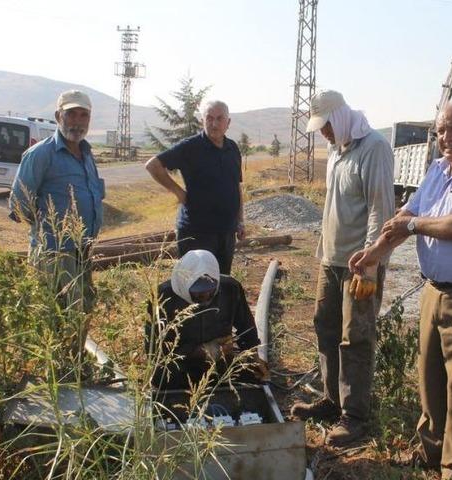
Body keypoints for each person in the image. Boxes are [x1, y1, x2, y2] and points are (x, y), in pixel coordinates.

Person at [349, 102, 452, 479]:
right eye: (440, 130)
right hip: (434, 290)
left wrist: (415, 224)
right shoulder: (437, 170)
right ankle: (431, 455)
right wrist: (373, 254)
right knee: (431, 379)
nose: (446, 137)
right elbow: (404, 218)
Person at [289, 90, 395, 447]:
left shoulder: (374, 148)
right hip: (331, 260)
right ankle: (332, 400)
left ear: (342, 115)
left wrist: (369, 260)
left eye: (326, 126)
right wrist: (323, 253)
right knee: (326, 327)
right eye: (319, 128)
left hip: (359, 264)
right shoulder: (337, 150)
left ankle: (355, 416)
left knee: (355, 338)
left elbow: (381, 209)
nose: (323, 133)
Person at [9, 89, 105, 313]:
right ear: (58, 116)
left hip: (84, 250)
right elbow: (19, 206)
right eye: (71, 114)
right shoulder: (41, 154)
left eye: (84, 115)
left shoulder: (87, 154)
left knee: (81, 311)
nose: (77, 122)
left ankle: (76, 349)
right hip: (54, 253)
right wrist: (49, 233)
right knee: (54, 314)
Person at [145, 99, 244, 275]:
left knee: (221, 282)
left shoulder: (232, 148)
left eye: (220, 118)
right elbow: (153, 165)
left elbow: (236, 187)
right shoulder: (190, 147)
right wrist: (179, 193)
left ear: (228, 123)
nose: (214, 124)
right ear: (201, 121)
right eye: (209, 118)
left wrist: (240, 221)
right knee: (196, 287)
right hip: (197, 232)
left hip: (226, 231)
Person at [146, 249, 267, 390]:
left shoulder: (230, 288)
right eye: (198, 293)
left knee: (254, 373)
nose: (206, 296)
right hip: (183, 364)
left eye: (210, 291)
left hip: (221, 361)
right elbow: (153, 350)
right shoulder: (163, 296)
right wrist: (201, 351)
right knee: (161, 376)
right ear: (184, 285)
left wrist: (252, 356)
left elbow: (246, 328)